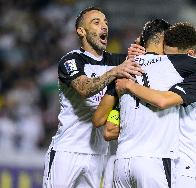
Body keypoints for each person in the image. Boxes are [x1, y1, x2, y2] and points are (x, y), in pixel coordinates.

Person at [93, 19, 196, 188]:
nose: (166, 57)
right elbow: (109, 129)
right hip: (161, 161)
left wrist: (130, 85)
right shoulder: (164, 68)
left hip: (188, 167)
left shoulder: (194, 77)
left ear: (190, 55)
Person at [42, 7, 144, 188]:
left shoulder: (116, 61)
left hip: (98, 155)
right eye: (96, 22)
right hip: (67, 150)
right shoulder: (71, 60)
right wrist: (115, 72)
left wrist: (141, 46)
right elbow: (83, 88)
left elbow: (145, 60)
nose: (104, 26)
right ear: (81, 31)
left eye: (105, 22)